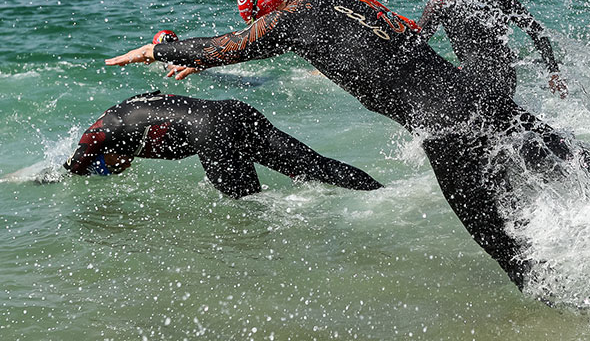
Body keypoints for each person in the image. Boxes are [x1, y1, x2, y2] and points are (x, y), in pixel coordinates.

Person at [105, 0, 590, 289]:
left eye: (258, 20)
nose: (260, 29)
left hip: (442, 126)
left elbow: (234, 44)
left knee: (495, 237)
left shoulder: (290, 18)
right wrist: (209, 59)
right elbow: (403, 32)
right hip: (474, 94)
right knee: (571, 162)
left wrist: (156, 50)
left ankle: (570, 308)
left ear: (267, 8)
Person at [64, 91, 383, 198]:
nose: (116, 171)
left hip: (211, 133)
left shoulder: (102, 132)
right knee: (315, 168)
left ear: (105, 153)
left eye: (105, 168)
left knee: (253, 207)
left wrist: (54, 177)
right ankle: (384, 194)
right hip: (232, 111)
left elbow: (73, 166)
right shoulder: (128, 111)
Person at [419, 0, 567, 100]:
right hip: (506, 79)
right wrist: (553, 72)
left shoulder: (442, 1)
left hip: (474, 81)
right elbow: (538, 32)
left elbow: (416, 42)